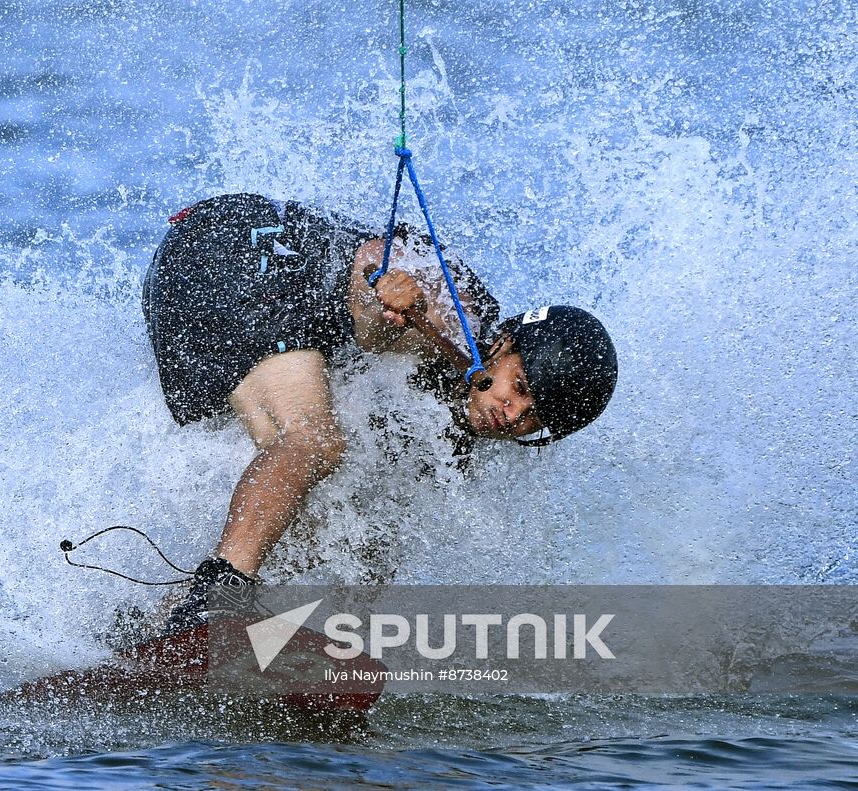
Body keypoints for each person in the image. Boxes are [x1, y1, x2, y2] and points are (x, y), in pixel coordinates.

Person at [142, 193, 618, 633]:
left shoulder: (459, 440)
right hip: (234, 247)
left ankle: (163, 627)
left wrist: (344, 653)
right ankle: (216, 598)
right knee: (313, 441)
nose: (513, 414)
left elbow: (378, 541)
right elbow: (372, 295)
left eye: (535, 416)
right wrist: (389, 301)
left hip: (215, 277)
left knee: (362, 528)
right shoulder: (461, 315)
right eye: (521, 387)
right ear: (503, 346)